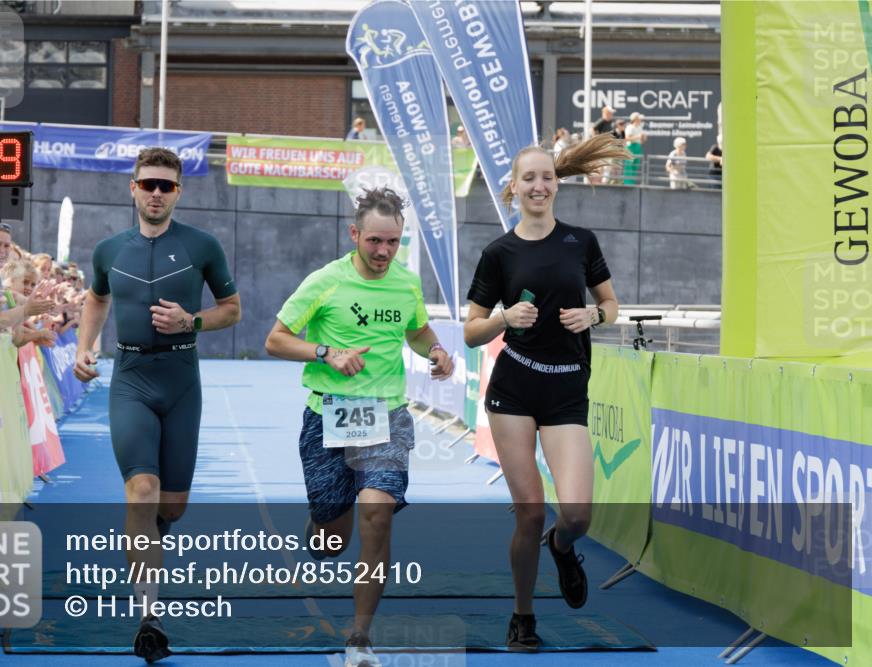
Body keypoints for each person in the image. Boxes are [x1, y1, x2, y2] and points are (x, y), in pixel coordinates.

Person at [264, 187, 453, 667]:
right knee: (333, 540)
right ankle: (321, 522)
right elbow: (276, 340)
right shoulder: (325, 282)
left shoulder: (406, 284)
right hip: (329, 414)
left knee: (377, 514)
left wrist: (434, 350)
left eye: (392, 242)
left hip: (387, 415)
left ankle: (360, 637)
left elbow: (415, 328)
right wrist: (328, 352)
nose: (384, 252)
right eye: (374, 241)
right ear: (355, 235)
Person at [72, 147, 241, 664]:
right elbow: (96, 299)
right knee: (140, 489)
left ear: (178, 192)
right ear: (133, 188)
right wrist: (85, 347)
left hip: (182, 379)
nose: (156, 193)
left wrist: (192, 321)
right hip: (131, 378)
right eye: (148, 184)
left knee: (171, 506)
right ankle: (149, 618)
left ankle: (149, 531)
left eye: (166, 186)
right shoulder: (108, 250)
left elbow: (232, 311)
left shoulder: (202, 245)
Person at [463, 133, 625, 651]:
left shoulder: (582, 241)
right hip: (514, 386)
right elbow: (470, 330)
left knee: (576, 514)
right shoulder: (499, 252)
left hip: (565, 390)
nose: (538, 185)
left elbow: (612, 305)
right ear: (514, 187)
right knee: (530, 510)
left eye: (546, 177)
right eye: (528, 178)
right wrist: (503, 318)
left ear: (557, 184)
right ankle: (523, 614)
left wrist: (592, 315)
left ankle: (561, 546)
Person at [622, 112, 646, 185]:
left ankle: (631, 183)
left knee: (635, 166)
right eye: (639, 119)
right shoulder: (630, 127)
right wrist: (638, 137)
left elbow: (641, 141)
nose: (640, 120)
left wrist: (643, 138)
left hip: (637, 147)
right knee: (629, 166)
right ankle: (627, 183)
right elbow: (627, 138)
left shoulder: (639, 128)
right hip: (631, 147)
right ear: (635, 119)